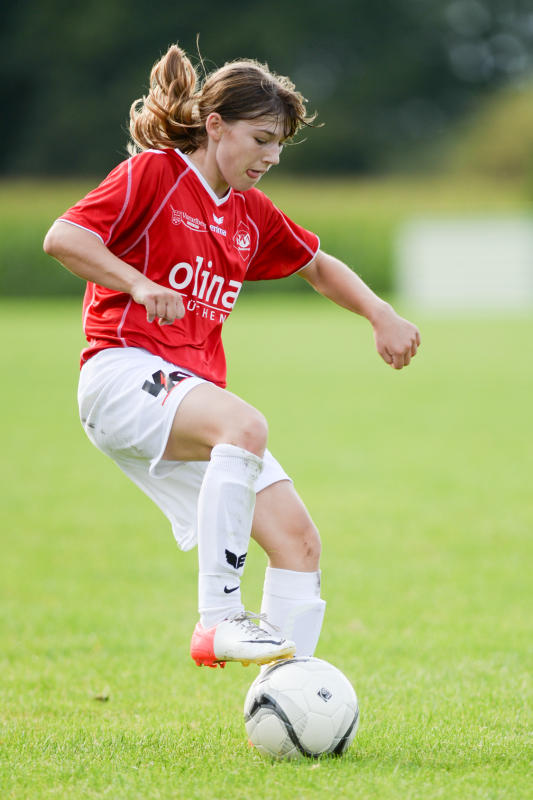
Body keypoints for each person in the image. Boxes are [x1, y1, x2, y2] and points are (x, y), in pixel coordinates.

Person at [43, 43, 420, 670]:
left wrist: (380, 313)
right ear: (215, 126)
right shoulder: (153, 175)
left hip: (184, 399)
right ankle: (218, 620)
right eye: (262, 139)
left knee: (298, 542)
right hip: (119, 373)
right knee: (244, 426)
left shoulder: (249, 213)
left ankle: (284, 696)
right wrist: (137, 283)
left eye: (280, 145)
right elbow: (63, 237)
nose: (272, 157)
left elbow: (317, 265)